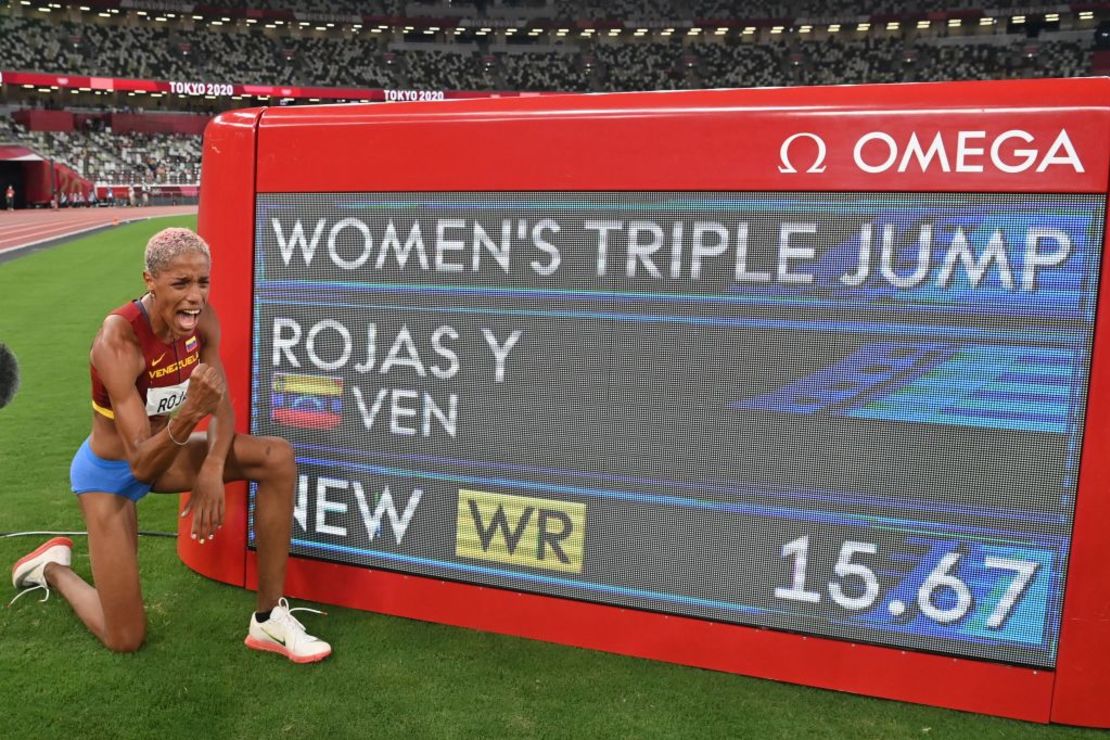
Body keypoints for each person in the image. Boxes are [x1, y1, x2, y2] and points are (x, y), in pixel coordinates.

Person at [9, 227, 331, 663]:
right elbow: (140, 463)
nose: (195, 297)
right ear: (150, 281)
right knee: (125, 638)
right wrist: (188, 411)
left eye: (202, 282)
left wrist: (213, 468)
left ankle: (269, 619)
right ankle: (52, 568)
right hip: (111, 474)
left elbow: (221, 407)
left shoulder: (204, 321)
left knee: (277, 457)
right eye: (181, 284)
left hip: (167, 454)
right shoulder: (118, 341)